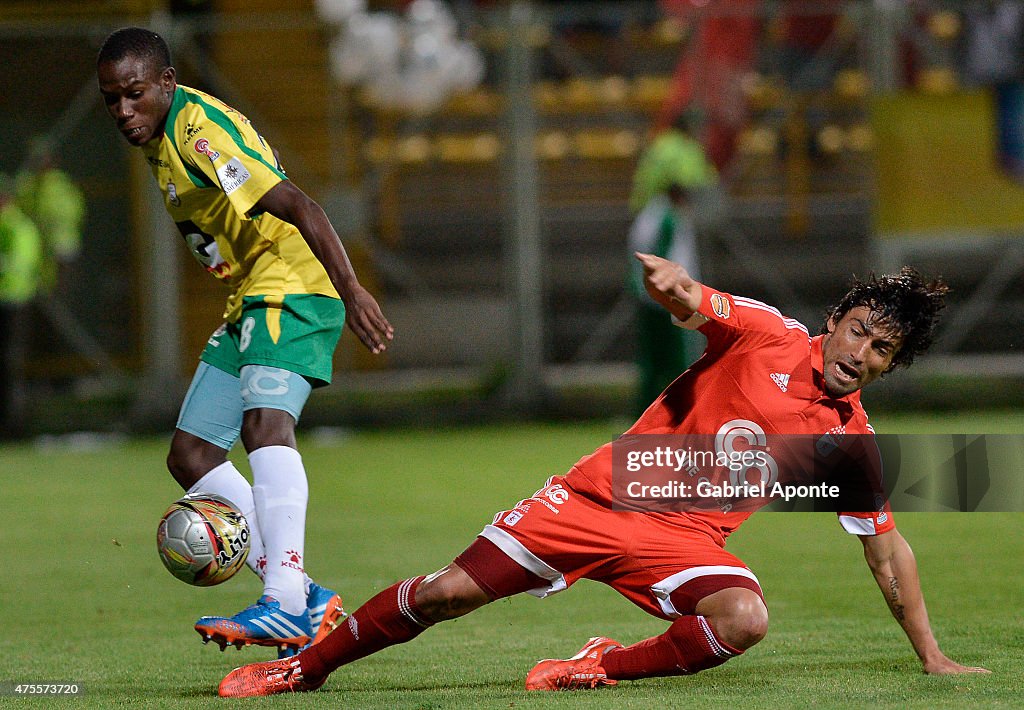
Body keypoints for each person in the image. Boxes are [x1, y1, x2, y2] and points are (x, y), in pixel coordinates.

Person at [216, 253, 989, 697]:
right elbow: (699, 301)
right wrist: (674, 289)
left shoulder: (851, 441)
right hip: (602, 493)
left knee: (742, 620)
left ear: (891, 366)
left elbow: (887, 551)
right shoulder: (767, 335)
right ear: (835, 319)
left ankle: (599, 666)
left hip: (682, 540)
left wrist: (930, 653)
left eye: (882, 350)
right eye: (858, 330)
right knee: (448, 593)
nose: (860, 353)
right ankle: (304, 668)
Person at [96, 28, 394, 654]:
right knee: (192, 454)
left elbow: (300, 204)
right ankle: (304, 598)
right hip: (253, 291)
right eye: (112, 100)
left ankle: (283, 600)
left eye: (135, 95)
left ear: (167, 86)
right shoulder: (160, 135)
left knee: (265, 426)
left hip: (296, 281)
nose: (124, 111)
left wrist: (352, 287)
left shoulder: (198, 133)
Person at [627, 182, 705, 416]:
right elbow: (664, 257)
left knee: (652, 361)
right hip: (667, 300)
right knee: (677, 359)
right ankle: (679, 411)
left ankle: (648, 413)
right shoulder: (668, 219)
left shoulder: (650, 215)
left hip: (649, 297)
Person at [0, 175, 43, 437]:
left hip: (12, 302)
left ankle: (13, 425)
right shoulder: (19, 225)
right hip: (14, 300)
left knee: (10, 364)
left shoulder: (14, 226)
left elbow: (20, 264)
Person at [15, 139, 86, 293]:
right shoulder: (26, 185)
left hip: (60, 247)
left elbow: (74, 213)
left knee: (60, 290)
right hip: (35, 248)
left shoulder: (61, 184)